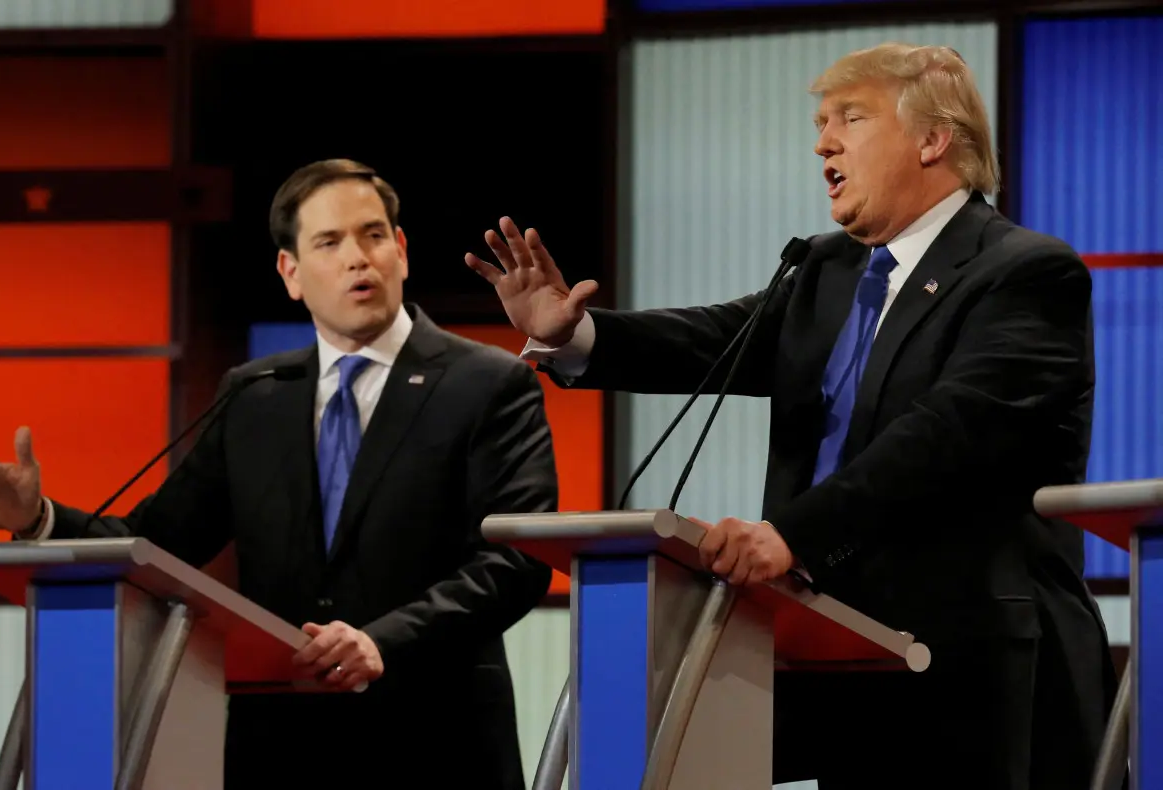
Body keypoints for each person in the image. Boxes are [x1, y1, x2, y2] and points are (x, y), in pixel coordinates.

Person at [466, 43, 1116, 789]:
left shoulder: (1026, 272)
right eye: (820, 123)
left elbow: (949, 434)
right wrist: (573, 336)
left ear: (933, 139)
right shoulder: (829, 271)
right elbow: (713, 340)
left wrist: (795, 535)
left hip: (976, 670)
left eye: (851, 118)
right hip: (838, 652)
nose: (823, 142)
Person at [0, 159, 557, 789]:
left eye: (374, 235)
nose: (359, 258)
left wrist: (383, 642)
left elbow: (514, 563)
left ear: (401, 250)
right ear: (290, 273)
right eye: (329, 241)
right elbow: (157, 545)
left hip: (437, 742)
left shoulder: (488, 383)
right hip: (279, 743)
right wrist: (36, 519)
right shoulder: (253, 395)